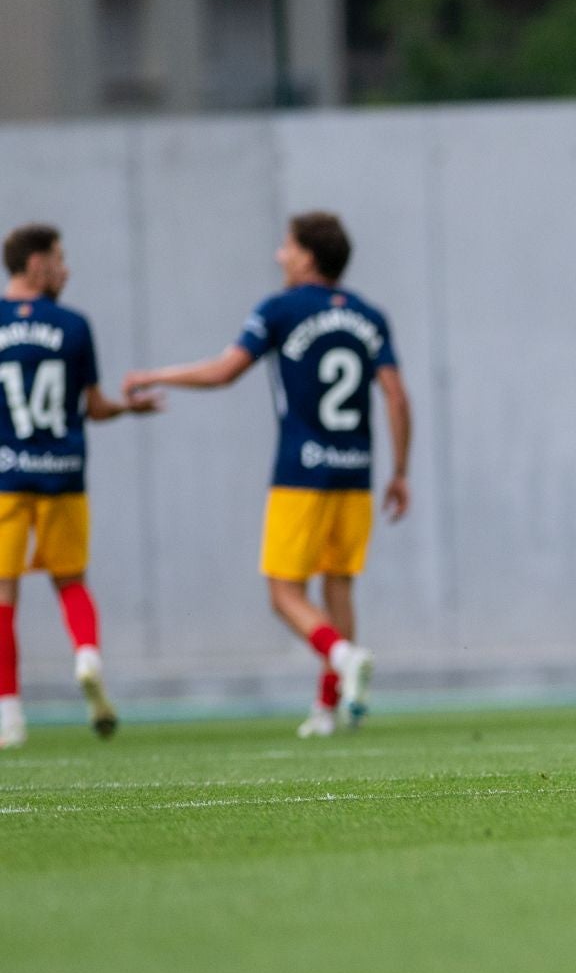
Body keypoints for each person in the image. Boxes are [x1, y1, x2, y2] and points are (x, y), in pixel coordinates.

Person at [123, 212, 411, 738]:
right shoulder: (370, 316)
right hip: (355, 473)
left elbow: (224, 372)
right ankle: (330, 709)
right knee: (339, 585)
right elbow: (395, 395)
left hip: (300, 473)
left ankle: (342, 657)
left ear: (307, 256)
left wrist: (156, 375)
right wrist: (401, 472)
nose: (280, 255)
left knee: (284, 594)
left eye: (287, 247)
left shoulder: (278, 309)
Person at [0, 224, 162, 749]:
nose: (65, 271)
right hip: (64, 474)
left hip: (5, 477)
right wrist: (128, 409)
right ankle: (88, 656)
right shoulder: (73, 325)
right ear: (34, 265)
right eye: (58, 260)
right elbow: (93, 406)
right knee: (70, 580)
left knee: (3, 593)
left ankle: (8, 713)